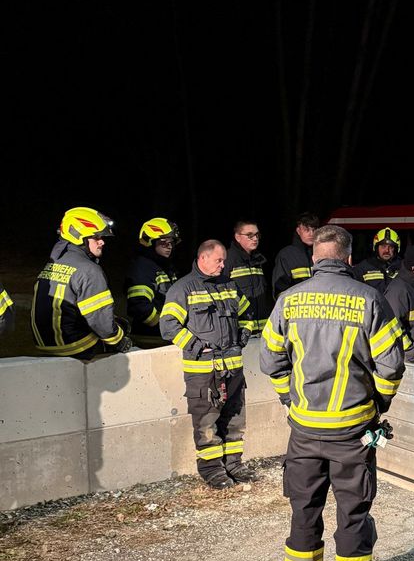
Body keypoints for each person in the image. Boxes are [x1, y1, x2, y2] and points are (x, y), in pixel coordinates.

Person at [259, 224, 406, 561]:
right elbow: (391, 367)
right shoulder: (369, 300)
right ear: (349, 258)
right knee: (352, 516)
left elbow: (270, 360)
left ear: (314, 259)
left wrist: (289, 399)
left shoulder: (289, 301)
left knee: (304, 511)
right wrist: (379, 403)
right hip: (353, 433)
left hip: (304, 430)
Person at [160, 240, 252, 488]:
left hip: (233, 369)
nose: (223, 265)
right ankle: (212, 470)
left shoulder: (229, 285)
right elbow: (168, 325)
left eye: (224, 261)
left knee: (234, 421)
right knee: (207, 422)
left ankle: (234, 464)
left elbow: (247, 313)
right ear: (203, 258)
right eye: (219, 261)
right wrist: (197, 346)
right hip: (203, 372)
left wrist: (245, 332)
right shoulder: (183, 289)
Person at [31, 207, 131, 358]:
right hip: (76, 346)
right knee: (121, 327)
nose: (102, 242)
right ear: (79, 237)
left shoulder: (53, 263)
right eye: (96, 237)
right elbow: (101, 322)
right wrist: (119, 340)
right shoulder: (90, 270)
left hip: (44, 344)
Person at [124, 218, 180, 347]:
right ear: (150, 242)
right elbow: (139, 306)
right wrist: (163, 325)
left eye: (172, 242)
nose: (169, 246)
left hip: (164, 333)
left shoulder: (164, 266)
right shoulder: (142, 268)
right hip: (149, 337)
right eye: (164, 242)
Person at [225, 220, 272, 335]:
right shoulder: (228, 259)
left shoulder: (259, 259)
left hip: (262, 331)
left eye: (257, 235)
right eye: (250, 235)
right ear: (238, 237)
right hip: (240, 331)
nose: (255, 239)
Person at [271, 212, 320, 297]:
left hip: (320, 307)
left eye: (314, 229)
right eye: (306, 230)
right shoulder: (286, 255)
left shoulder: (323, 253)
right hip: (296, 308)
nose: (311, 234)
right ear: (298, 230)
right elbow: (279, 288)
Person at [353, 227, 402, 294]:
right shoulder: (363, 268)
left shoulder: (403, 268)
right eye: (383, 246)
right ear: (376, 247)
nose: (387, 250)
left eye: (391, 247)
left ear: (396, 249)